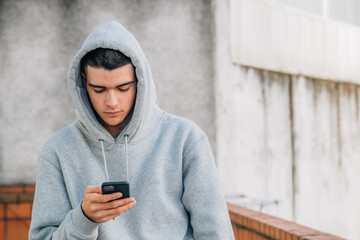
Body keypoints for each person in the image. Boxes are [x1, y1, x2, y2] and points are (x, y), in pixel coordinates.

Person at [29, 20, 234, 239]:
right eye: (99, 89)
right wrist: (83, 219)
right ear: (83, 82)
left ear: (140, 81)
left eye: (123, 88)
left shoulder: (185, 139)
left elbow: (215, 232)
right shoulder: (58, 150)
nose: (112, 102)